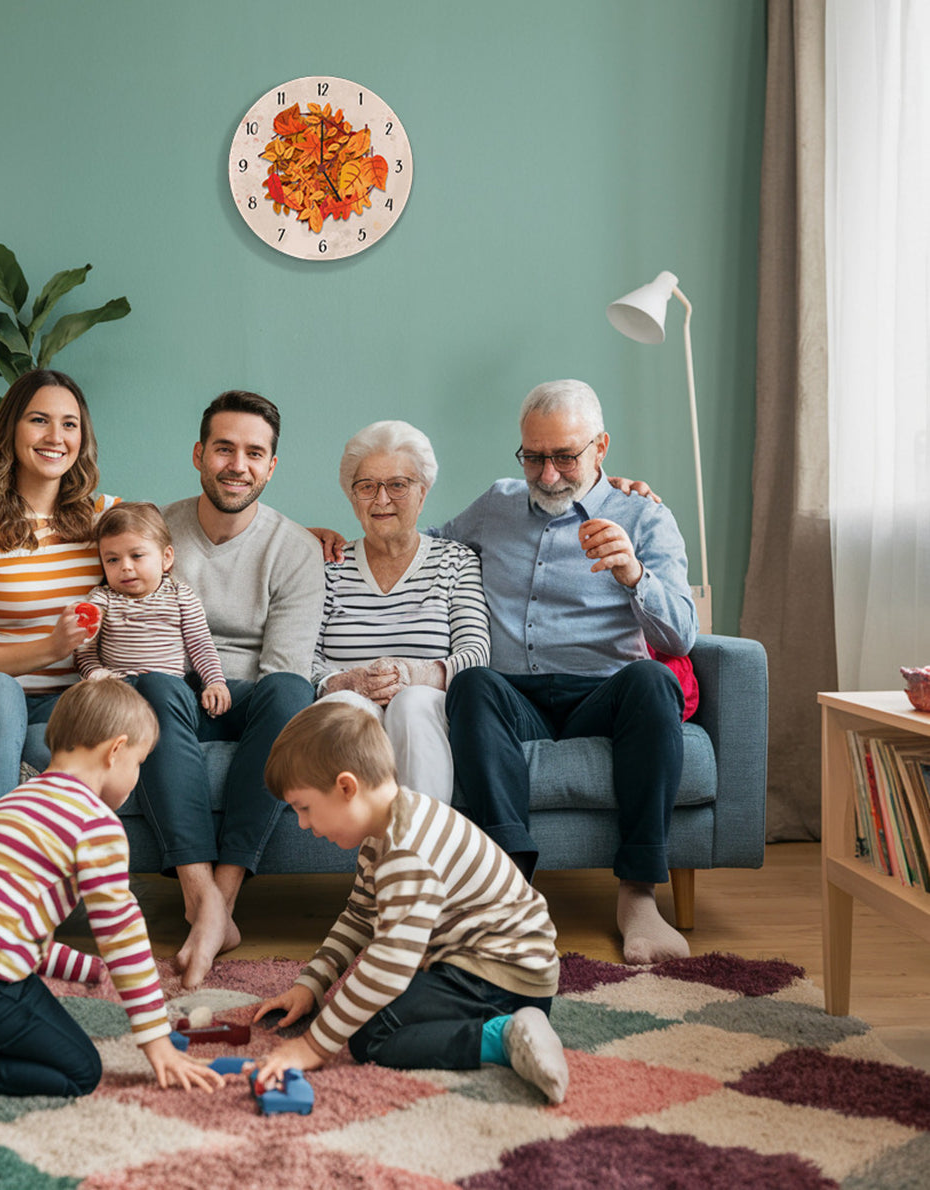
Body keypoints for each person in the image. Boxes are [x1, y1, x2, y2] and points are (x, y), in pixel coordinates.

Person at [0, 677, 222, 1107]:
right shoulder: (95, 822)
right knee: (79, 1069)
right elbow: (122, 935)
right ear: (116, 750)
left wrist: (83, 969)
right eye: (139, 762)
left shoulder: (15, 801)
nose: (136, 776)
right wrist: (156, 1040)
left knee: (19, 1000)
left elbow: (0, 925)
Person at [441, 379, 697, 964]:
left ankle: (637, 897)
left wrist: (634, 574)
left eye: (565, 456)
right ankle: (511, 892)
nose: (548, 473)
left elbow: (681, 634)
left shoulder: (645, 517)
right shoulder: (495, 504)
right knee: (472, 682)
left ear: (601, 447)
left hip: (604, 694)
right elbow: (422, 549)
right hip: (515, 697)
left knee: (653, 681)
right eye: (534, 456)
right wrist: (330, 544)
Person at [252, 702, 568, 1104]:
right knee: (364, 1010)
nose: (303, 824)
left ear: (346, 787)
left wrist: (313, 1047)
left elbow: (388, 967)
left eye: (304, 808)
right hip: (488, 965)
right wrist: (311, 985)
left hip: (503, 977)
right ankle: (505, 1022)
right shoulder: (384, 831)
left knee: (372, 1036)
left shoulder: (406, 851)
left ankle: (503, 1036)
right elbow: (359, 917)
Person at [133, 390, 325, 989]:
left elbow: (284, 664)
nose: (236, 465)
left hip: (249, 698)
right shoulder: (157, 532)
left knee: (291, 693)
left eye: (253, 453)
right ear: (199, 454)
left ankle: (223, 897)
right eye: (224, 448)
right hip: (174, 691)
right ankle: (202, 903)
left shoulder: (295, 548)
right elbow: (133, 626)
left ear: (271, 466)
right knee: (158, 685)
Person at [0, 368, 118, 839]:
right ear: (11, 430)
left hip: (64, 701)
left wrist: (298, 534)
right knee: (0, 691)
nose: (56, 437)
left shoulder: (104, 517)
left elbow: (183, 537)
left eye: (70, 424)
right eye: (40, 420)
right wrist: (52, 646)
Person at [311, 420, 490, 802]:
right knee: (349, 708)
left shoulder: (455, 560)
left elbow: (476, 655)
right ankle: (376, 849)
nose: (381, 500)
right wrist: (347, 681)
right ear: (351, 496)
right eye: (366, 487)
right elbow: (301, 657)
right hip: (349, 703)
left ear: (422, 493)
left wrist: (415, 674)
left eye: (397, 485)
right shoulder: (330, 567)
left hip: (427, 707)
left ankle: (419, 852)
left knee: (410, 703)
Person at [74, 501, 231, 718]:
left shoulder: (180, 596)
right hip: (118, 693)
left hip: (168, 690)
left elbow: (201, 645)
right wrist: (96, 673)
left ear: (166, 558)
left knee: (162, 690)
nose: (125, 567)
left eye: (137, 556)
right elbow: (84, 650)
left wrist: (214, 682)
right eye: (112, 560)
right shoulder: (102, 600)